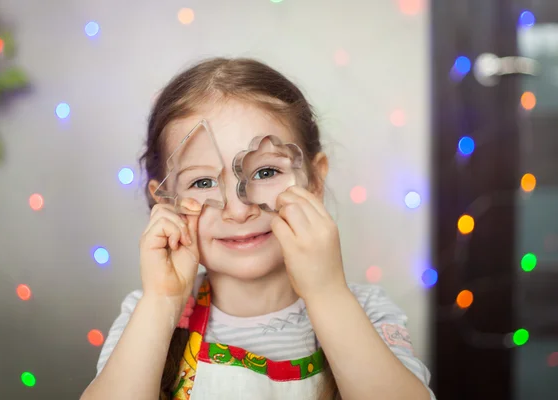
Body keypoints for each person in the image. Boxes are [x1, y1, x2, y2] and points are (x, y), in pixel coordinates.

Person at [81, 58, 435, 400]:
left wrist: (327, 293)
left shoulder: (366, 310)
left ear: (314, 181)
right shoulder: (148, 314)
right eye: (203, 182)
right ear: (165, 202)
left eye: (265, 173)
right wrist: (163, 301)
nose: (238, 209)